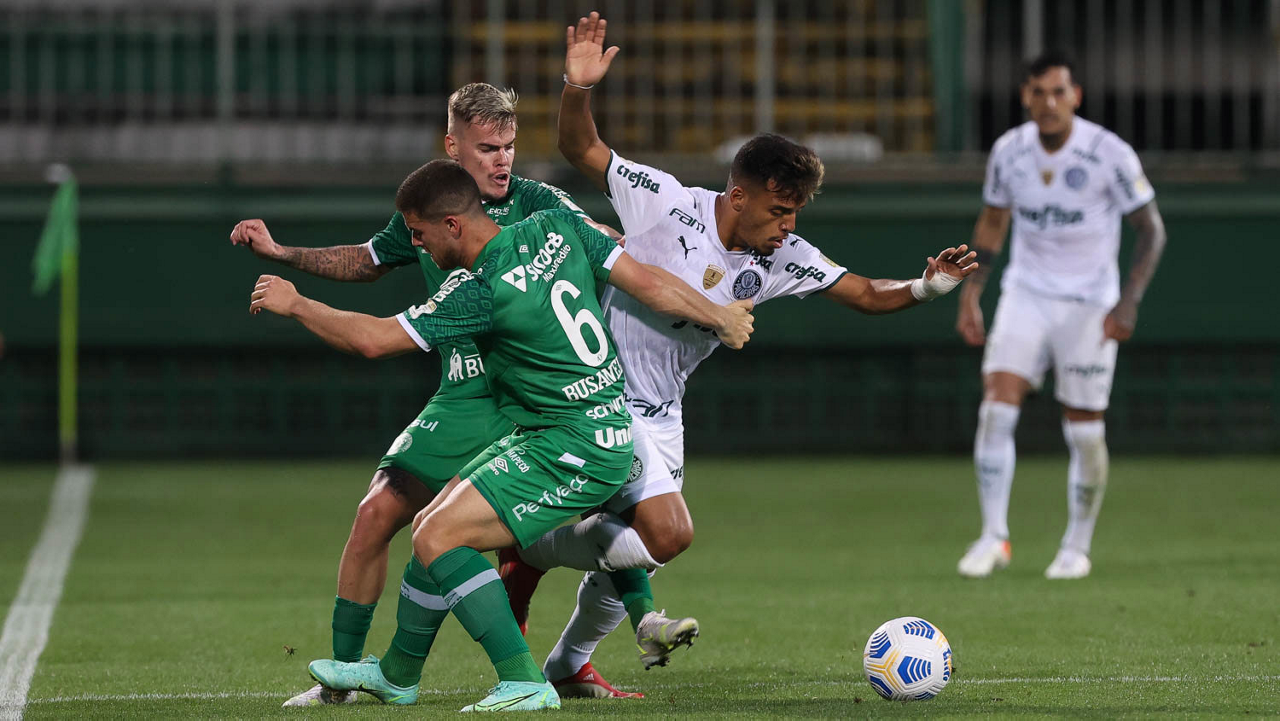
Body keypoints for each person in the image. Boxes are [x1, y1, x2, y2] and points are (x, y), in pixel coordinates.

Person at [496, 11, 979, 699]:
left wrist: (929, 286)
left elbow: (866, 293)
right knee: (667, 531)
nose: (788, 226)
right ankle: (530, 547)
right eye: (779, 211)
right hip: (598, 395)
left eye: (796, 213)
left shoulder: (781, 255)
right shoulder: (664, 202)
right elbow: (582, 146)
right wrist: (578, 87)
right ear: (739, 195)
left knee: (646, 552)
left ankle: (565, 658)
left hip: (664, 412)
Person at [250, 159, 755, 711]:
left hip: (574, 444)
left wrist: (296, 304)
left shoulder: (477, 289)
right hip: (589, 425)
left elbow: (373, 340)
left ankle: (523, 679)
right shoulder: (557, 227)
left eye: (419, 233)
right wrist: (719, 316)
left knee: (441, 538)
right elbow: (650, 284)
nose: (416, 244)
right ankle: (396, 674)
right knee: (430, 525)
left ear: (452, 225)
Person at [228, 82, 621, 708]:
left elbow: (604, 244)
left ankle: (547, 650)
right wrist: (283, 253)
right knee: (379, 516)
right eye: (487, 147)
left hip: (515, 399)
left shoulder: (541, 204)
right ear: (453, 146)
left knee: (446, 534)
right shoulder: (429, 207)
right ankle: (347, 680)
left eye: (509, 146)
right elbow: (369, 259)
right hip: (459, 392)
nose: (502, 160)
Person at [954, 50, 1167, 580]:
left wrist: (1129, 301)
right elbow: (993, 222)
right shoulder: (1009, 151)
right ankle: (993, 537)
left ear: (1076, 96)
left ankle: (1076, 546)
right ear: (1024, 97)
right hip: (1026, 293)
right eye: (1038, 92)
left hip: (1089, 304)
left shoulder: (1109, 152)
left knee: (1084, 429)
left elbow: (1151, 230)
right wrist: (971, 292)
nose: (1048, 103)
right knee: (995, 408)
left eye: (1058, 92)